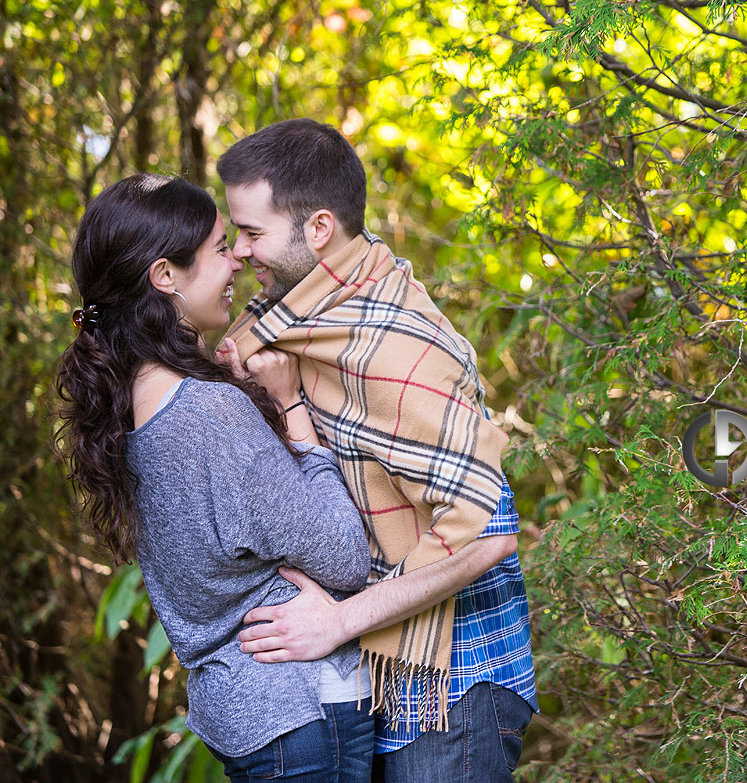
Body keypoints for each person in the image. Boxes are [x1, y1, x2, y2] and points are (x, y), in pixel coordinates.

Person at [217, 118, 537, 781]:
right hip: (375, 676)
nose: (241, 252)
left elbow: (487, 533)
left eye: (251, 234)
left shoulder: (399, 348)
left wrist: (338, 621)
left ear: (319, 229)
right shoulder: (301, 318)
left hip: (454, 683)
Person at [56, 173, 376, 782]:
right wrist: (293, 412)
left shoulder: (127, 407)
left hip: (243, 713)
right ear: (165, 276)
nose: (236, 263)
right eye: (219, 248)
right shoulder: (206, 412)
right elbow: (343, 555)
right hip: (299, 710)